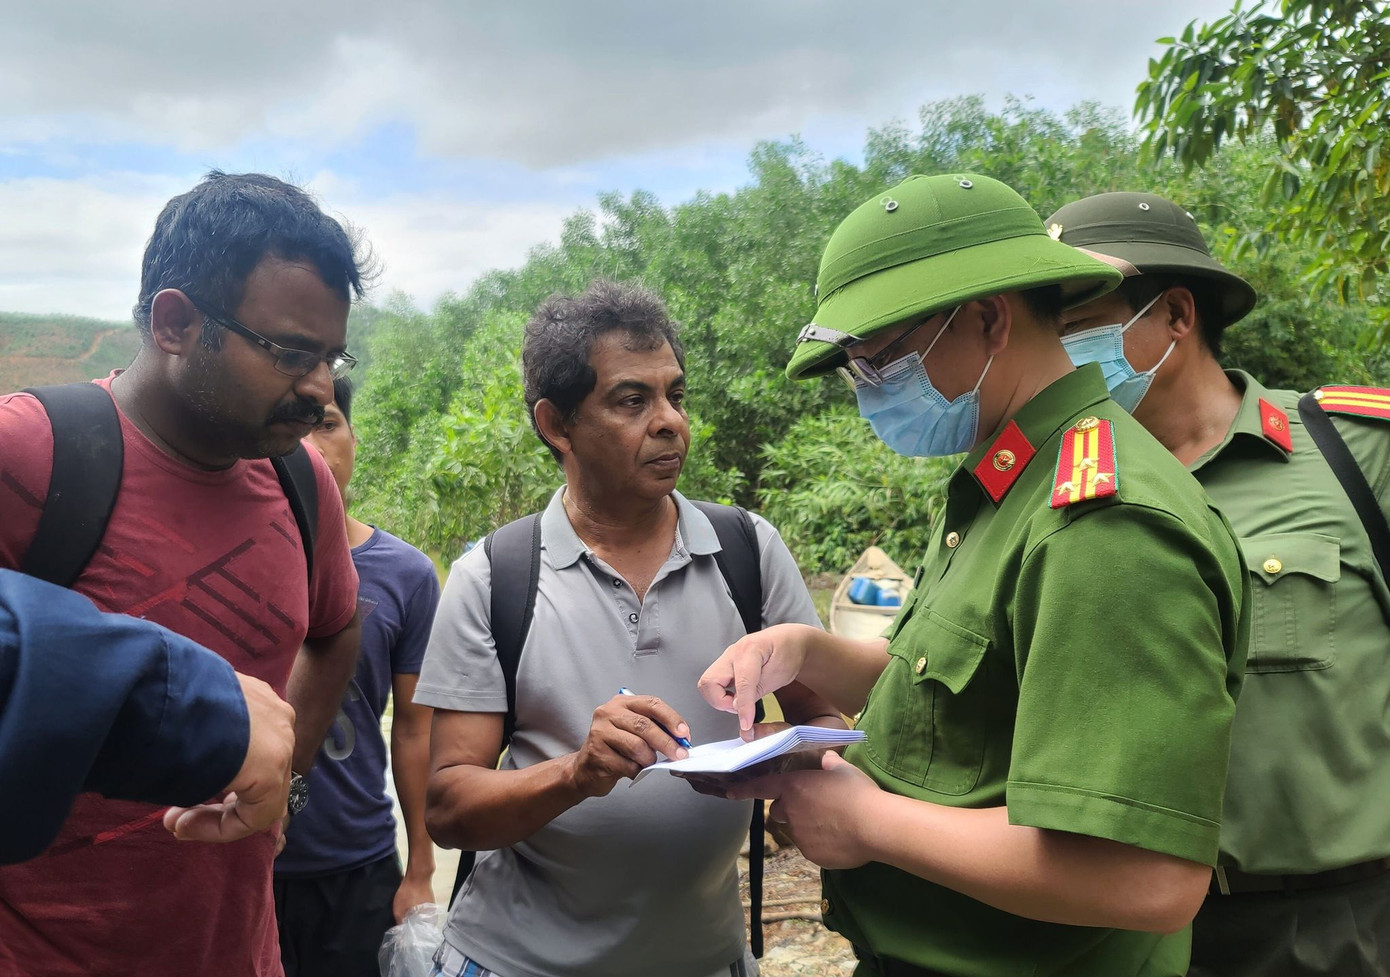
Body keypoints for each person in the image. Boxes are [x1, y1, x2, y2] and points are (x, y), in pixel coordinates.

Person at [697, 173, 1251, 977]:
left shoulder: (1101, 522)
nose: (869, 390)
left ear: (989, 318)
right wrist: (803, 652)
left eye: (880, 360)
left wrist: (868, 822)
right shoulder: (1006, 484)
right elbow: (955, 689)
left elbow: (1146, 876)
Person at [416, 279, 842, 977]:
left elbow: (821, 715)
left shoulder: (747, 552)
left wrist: (790, 763)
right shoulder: (496, 577)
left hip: (706, 958)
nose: (670, 420)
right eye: (631, 400)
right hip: (518, 961)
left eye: (676, 395)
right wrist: (577, 772)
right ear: (556, 425)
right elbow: (450, 805)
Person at [0, 171, 366, 977]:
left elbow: (336, 628)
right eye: (290, 354)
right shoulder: (33, 453)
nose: (317, 388)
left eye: (330, 357)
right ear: (175, 322)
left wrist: (283, 775)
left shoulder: (301, 483)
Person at [1048, 190, 1390, 977]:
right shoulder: (1061, 494)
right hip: (1125, 937)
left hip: (1340, 929)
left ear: (1175, 313)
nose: (1059, 355)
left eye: (1077, 327)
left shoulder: (1352, 456)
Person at [275, 377, 440, 977]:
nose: (313, 446)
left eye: (326, 423)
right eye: (296, 426)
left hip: (356, 866)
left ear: (351, 436)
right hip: (234, 865)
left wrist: (419, 869)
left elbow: (416, 731)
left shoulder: (407, 575)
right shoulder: (223, 565)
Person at [0, 568, 295, 865]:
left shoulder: (314, 524)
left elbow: (336, 629)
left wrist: (289, 789)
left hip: (234, 895)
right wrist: (182, 704)